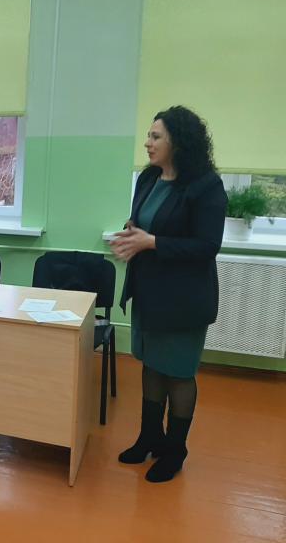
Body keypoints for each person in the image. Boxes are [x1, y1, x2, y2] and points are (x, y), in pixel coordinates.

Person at [111, 106, 227, 483]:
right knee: (151, 364)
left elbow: (207, 246)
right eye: (149, 135)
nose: (147, 143)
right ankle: (149, 437)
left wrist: (152, 242)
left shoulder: (206, 186)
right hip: (149, 290)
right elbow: (147, 222)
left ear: (179, 142)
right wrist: (133, 232)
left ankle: (175, 450)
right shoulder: (149, 178)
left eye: (156, 136)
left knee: (177, 373)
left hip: (183, 300)